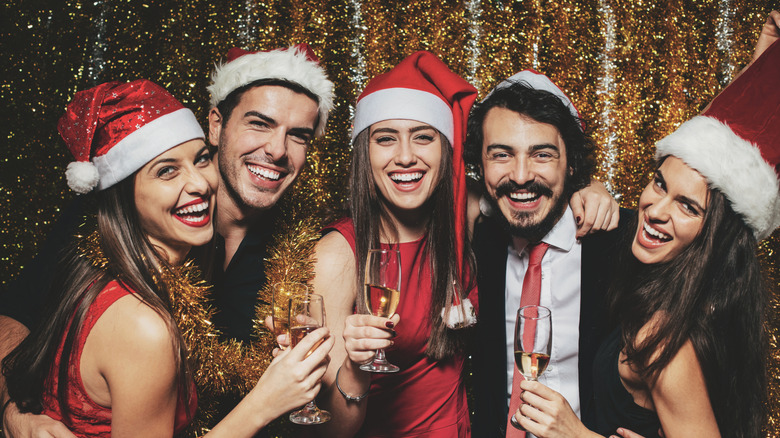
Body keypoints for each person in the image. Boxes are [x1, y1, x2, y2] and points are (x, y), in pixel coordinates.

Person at [0, 44, 336, 436]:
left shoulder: (285, 253)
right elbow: (18, 317)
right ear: (215, 125)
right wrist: (13, 411)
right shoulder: (123, 289)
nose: (277, 150)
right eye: (259, 123)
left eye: (298, 135)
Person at [310, 51, 618, 438]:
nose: (406, 156)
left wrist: (587, 189)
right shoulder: (337, 256)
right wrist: (355, 369)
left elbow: (522, 189)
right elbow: (331, 432)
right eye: (385, 139)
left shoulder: (464, 217)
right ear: (363, 154)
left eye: (423, 138)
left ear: (445, 152)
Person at [510, 32, 780, 438]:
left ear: (716, 235)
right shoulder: (699, 295)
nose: (655, 210)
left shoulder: (661, 340)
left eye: (687, 207)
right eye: (658, 183)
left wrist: (574, 433)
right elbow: (716, 148)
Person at [465, 70, 630, 438]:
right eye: (501, 154)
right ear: (481, 165)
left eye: (542, 154)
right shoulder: (476, 239)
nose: (521, 175)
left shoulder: (625, 243)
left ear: (572, 165)